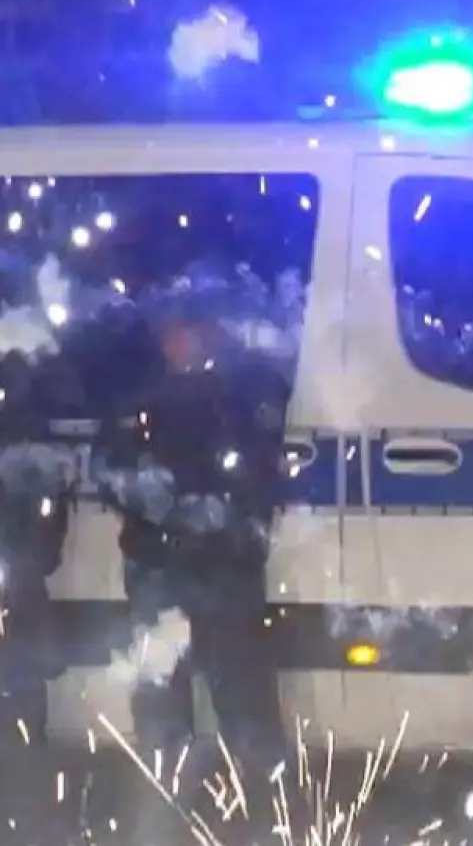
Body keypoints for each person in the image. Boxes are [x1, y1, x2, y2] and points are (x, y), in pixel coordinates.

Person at [95, 298, 290, 835]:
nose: (177, 340)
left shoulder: (245, 390)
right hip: (158, 572)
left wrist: (217, 512)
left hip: (223, 571)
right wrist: (143, 492)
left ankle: (263, 816)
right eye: (171, 330)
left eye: (186, 329)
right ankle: (169, 811)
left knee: (244, 698)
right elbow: (104, 465)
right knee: (161, 703)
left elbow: (258, 473)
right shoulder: (139, 395)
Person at [0, 348, 75, 834]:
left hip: (19, 593)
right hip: (22, 590)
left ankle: (29, 817)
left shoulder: (30, 441)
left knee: (23, 708)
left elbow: (47, 527)